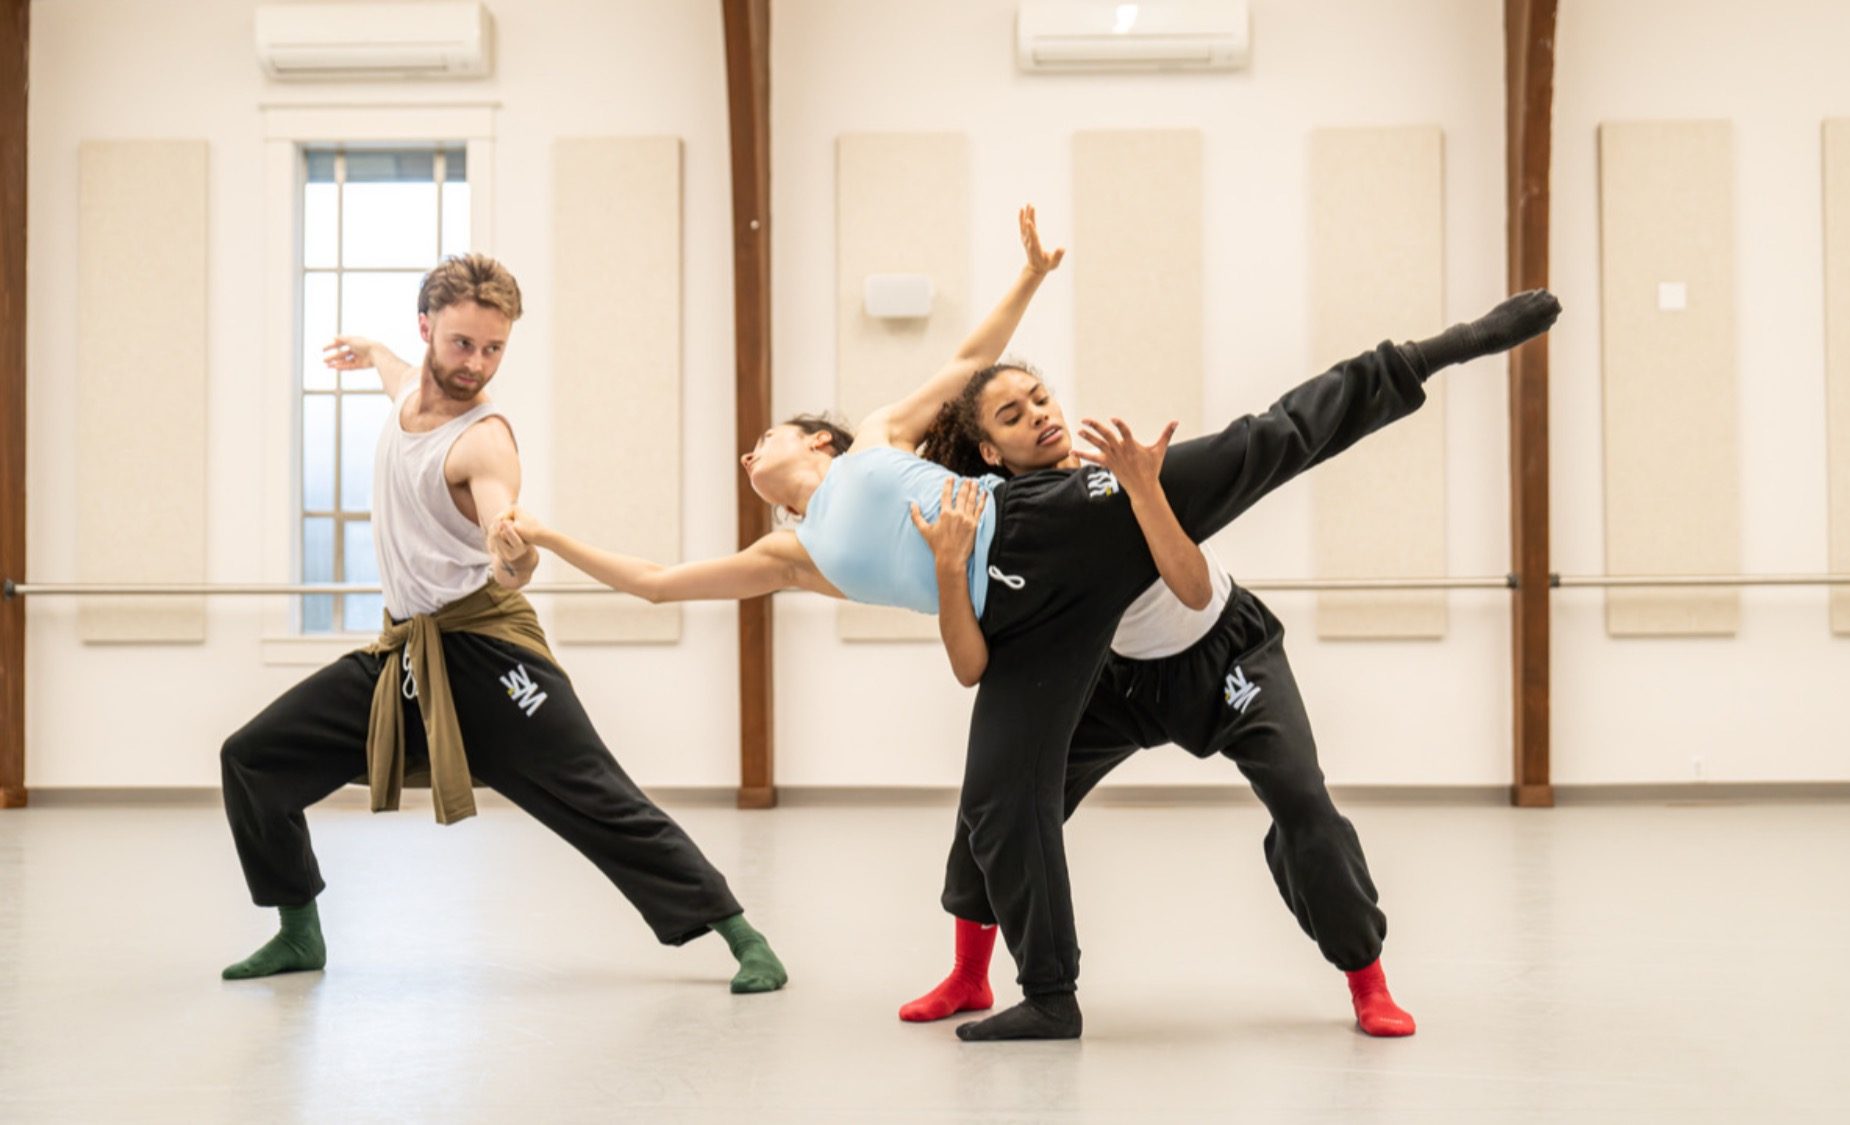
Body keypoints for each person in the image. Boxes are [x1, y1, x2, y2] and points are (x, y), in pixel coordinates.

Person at [503, 206, 1561, 1038]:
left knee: (1265, 448)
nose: (750, 455)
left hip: (1148, 596)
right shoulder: (793, 554)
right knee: (997, 803)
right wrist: (546, 534)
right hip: (1054, 635)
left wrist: (1028, 279)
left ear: (812, 442)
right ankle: (993, 981)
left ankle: (1442, 349)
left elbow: (972, 365)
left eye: (762, 439)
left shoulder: (879, 438)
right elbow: (650, 582)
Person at [217, 254, 786, 995]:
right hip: (407, 651)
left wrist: (510, 554)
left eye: (494, 348)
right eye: (462, 343)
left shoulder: (484, 440)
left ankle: (743, 936)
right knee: (253, 758)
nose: (476, 363)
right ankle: (298, 931)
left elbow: (503, 532)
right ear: (426, 327)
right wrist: (372, 353)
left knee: (598, 794)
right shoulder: (403, 395)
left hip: (490, 651)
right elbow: (397, 375)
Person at [901, 384, 1414, 1037]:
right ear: (989, 451)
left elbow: (1196, 592)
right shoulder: (1004, 532)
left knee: (1302, 799)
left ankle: (1368, 980)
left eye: (1038, 399)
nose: (1037, 414)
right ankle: (969, 974)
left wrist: (1144, 488)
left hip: (1224, 657)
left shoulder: (1114, 486)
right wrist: (948, 566)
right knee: (998, 801)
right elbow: (976, 661)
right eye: (1012, 415)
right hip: (1117, 682)